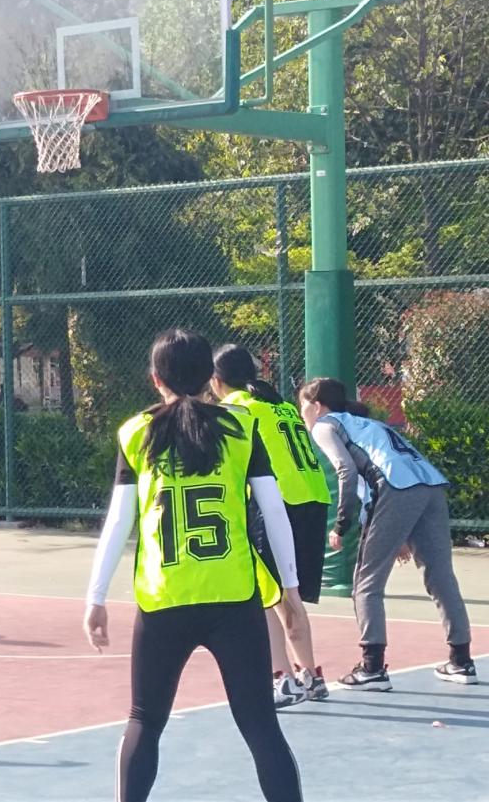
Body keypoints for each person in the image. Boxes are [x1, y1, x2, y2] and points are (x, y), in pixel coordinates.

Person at [84, 329, 302, 802]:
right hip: (233, 597)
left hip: (165, 597)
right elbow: (274, 509)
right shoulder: (241, 427)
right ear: (210, 376)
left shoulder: (136, 432)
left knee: (145, 720)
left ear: (155, 378)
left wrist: (95, 597)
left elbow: (119, 521)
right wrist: (290, 588)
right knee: (261, 725)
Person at [299, 377, 476, 689]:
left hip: (396, 489)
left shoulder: (324, 425)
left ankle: (372, 668)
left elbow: (347, 471)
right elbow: (382, 472)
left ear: (316, 405)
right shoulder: (369, 424)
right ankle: (462, 661)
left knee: (366, 582)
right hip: (430, 486)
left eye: (302, 405)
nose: (301, 412)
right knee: (441, 576)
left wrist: (341, 525)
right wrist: (400, 531)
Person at [211, 345, 331, 708]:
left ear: (216, 380)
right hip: (312, 498)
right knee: (290, 595)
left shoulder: (235, 408)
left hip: (277, 502)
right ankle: (310, 676)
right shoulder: (281, 406)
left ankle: (282, 678)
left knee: (266, 595)